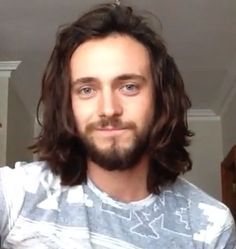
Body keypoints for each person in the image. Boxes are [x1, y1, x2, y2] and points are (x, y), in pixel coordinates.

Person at [0, 2, 235, 249]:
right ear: (68, 105)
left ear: (160, 99)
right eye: (87, 90)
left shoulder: (211, 226)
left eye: (129, 86)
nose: (109, 109)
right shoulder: (16, 193)